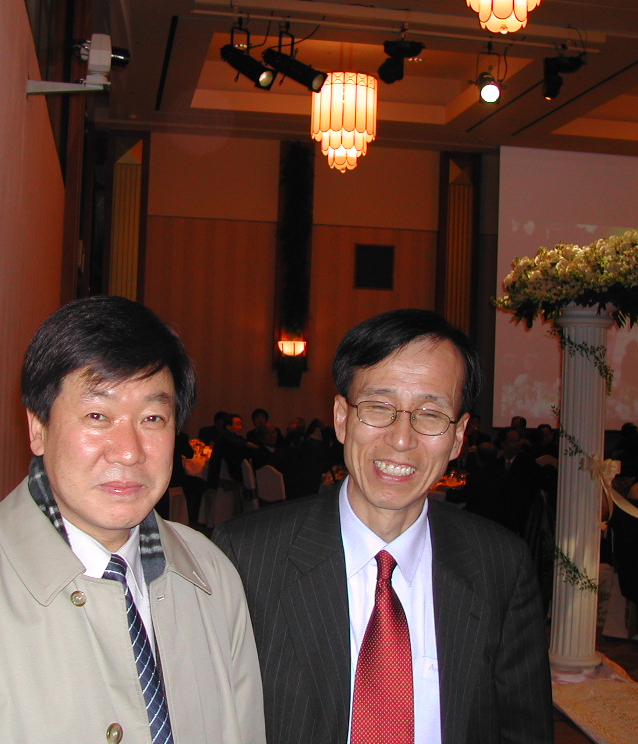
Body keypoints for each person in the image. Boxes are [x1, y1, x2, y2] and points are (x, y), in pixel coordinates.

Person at [0, 296, 266, 744]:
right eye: (98, 416)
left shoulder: (212, 577)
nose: (129, 451)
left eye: (152, 418)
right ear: (38, 428)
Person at [213, 309, 553, 744]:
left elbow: (524, 730)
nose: (401, 439)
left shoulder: (501, 565)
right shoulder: (246, 557)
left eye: (431, 414)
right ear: (342, 417)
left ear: (458, 436)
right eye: (379, 407)